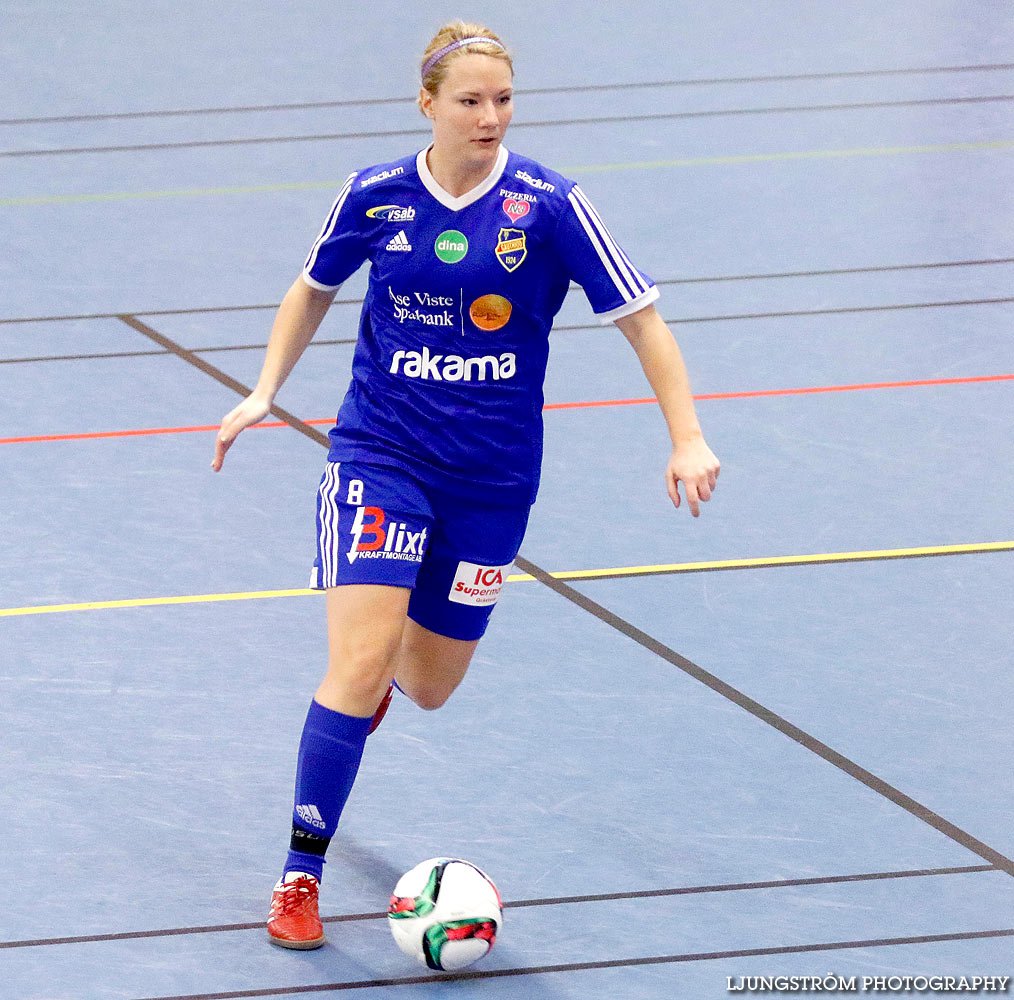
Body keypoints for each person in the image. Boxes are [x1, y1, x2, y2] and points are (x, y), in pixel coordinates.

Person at [211, 20, 720, 951]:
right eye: (470, 101)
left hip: (491, 481)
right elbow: (312, 287)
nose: (489, 117)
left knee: (427, 685)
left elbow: (643, 320)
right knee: (358, 666)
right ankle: (298, 875)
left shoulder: (550, 205)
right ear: (427, 104)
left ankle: (378, 663)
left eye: (502, 100)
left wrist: (686, 436)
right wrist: (263, 389)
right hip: (381, 456)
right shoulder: (376, 194)